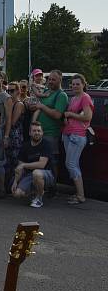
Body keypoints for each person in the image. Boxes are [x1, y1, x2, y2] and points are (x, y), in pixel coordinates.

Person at [28, 69, 68, 182]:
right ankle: (41, 185)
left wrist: (41, 107)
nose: (50, 81)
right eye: (49, 79)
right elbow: (36, 105)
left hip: (50, 134)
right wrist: (34, 106)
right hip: (38, 133)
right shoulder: (46, 91)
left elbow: (57, 115)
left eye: (53, 79)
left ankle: (53, 186)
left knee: (52, 161)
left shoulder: (61, 95)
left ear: (60, 80)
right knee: (37, 160)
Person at [61, 73, 93, 205]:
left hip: (77, 135)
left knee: (71, 164)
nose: (75, 86)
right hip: (68, 134)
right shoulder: (74, 98)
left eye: (77, 84)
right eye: (73, 84)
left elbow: (87, 117)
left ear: (83, 85)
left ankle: (81, 195)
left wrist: (70, 114)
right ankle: (78, 193)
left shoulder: (85, 98)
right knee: (73, 164)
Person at [12, 121, 54, 208]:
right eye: (34, 131)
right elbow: (19, 167)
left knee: (37, 173)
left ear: (42, 133)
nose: (37, 133)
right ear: (30, 133)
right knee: (17, 194)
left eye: (39, 131)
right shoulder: (25, 146)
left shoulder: (46, 144)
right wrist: (15, 182)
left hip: (46, 174)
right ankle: (34, 193)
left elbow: (41, 165)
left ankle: (39, 198)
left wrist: (24, 165)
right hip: (30, 175)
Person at [3, 81, 26, 189]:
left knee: (15, 163)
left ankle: (15, 185)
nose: (9, 93)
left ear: (18, 91)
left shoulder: (19, 104)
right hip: (9, 135)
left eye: (12, 91)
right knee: (7, 163)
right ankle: (8, 186)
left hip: (16, 137)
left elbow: (12, 122)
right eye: (8, 91)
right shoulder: (9, 103)